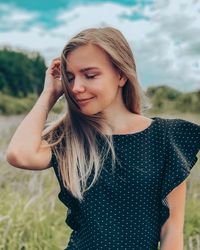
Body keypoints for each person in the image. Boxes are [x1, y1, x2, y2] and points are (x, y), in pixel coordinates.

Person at [6, 26, 200, 250]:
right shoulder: (70, 138)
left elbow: (171, 231)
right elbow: (19, 155)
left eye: (90, 75)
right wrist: (49, 93)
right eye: (70, 78)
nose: (76, 87)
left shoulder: (168, 137)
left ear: (121, 75)